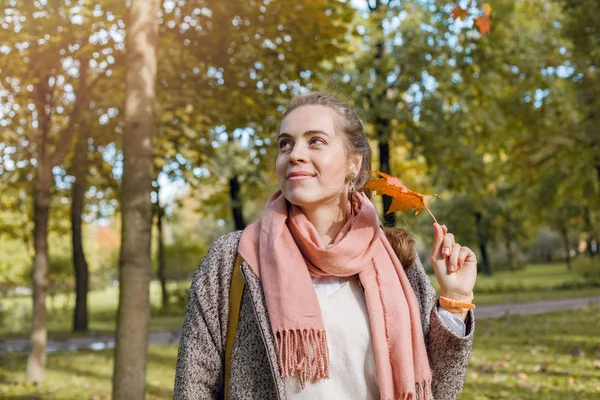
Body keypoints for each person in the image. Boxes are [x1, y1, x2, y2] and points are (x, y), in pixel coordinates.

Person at [174, 92, 477, 400]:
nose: (294, 154)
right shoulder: (233, 259)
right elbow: (193, 387)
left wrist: (455, 300)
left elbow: (437, 392)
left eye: (315, 140)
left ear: (353, 164)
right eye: (285, 143)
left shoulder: (395, 259)